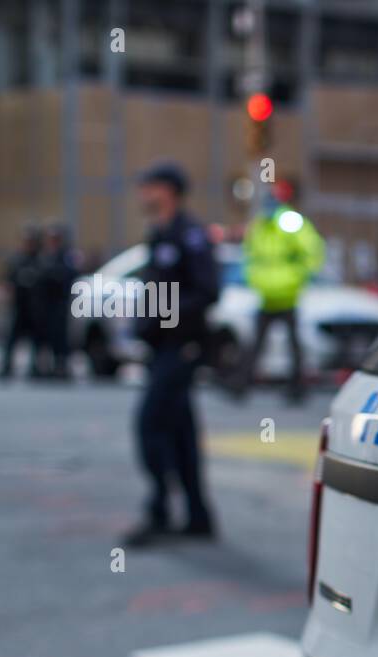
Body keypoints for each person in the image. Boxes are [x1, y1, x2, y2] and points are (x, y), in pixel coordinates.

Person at [123, 162, 220, 547]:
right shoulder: (159, 234)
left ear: (169, 191)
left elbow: (208, 291)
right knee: (180, 433)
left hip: (180, 347)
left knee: (150, 425)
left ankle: (160, 509)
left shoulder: (190, 235)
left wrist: (164, 312)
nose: (143, 194)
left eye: (150, 187)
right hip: (161, 347)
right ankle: (198, 515)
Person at [234, 180, 324, 403]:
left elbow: (312, 249)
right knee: (258, 343)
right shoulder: (261, 224)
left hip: (287, 293)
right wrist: (252, 278)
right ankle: (241, 385)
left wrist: (300, 276)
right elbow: (250, 254)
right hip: (267, 295)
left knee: (290, 345)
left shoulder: (288, 221)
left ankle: (296, 388)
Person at [35, 222, 82, 380]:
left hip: (60, 303)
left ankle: (61, 365)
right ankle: (42, 366)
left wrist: (55, 274)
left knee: (60, 336)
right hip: (43, 304)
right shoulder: (42, 255)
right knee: (42, 336)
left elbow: (72, 274)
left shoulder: (66, 256)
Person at [0, 224, 43, 380]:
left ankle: (36, 367)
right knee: (11, 339)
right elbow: (7, 282)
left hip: (35, 308)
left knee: (36, 340)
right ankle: (6, 366)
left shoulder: (41, 259)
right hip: (18, 307)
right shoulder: (16, 260)